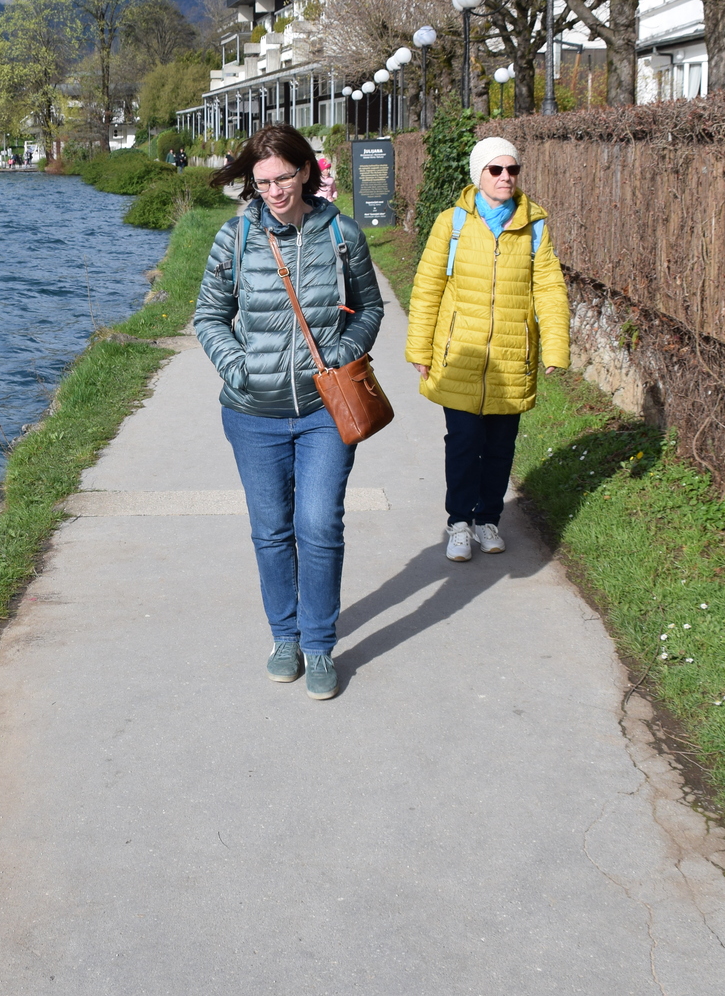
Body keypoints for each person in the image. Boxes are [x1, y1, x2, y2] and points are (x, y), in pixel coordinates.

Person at [195, 124, 385, 700]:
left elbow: (369, 308)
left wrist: (343, 353)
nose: (274, 191)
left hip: (326, 411)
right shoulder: (235, 238)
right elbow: (209, 316)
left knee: (319, 524)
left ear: (305, 171)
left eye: (283, 178)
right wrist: (240, 367)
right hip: (253, 414)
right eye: (263, 182)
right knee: (272, 530)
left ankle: (319, 644)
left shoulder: (342, 235)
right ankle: (285, 638)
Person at [404, 136, 569, 562]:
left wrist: (555, 348)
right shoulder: (453, 223)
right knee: (463, 442)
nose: (505, 177)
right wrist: (420, 348)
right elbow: (427, 287)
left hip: (512, 356)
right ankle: (459, 522)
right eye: (496, 169)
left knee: (500, 446)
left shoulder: (534, 226)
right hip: (460, 355)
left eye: (512, 169)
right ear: (478, 175)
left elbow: (549, 288)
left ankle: (487, 519)